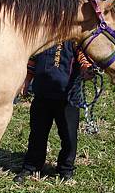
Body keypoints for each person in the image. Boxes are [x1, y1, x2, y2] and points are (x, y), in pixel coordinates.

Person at [14, 41, 92, 183]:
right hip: (42, 95)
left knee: (68, 136)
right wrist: (26, 81)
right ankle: (31, 166)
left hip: (67, 98)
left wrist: (87, 69)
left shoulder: (74, 39)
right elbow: (32, 61)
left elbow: (84, 60)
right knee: (37, 133)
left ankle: (65, 169)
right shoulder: (44, 38)